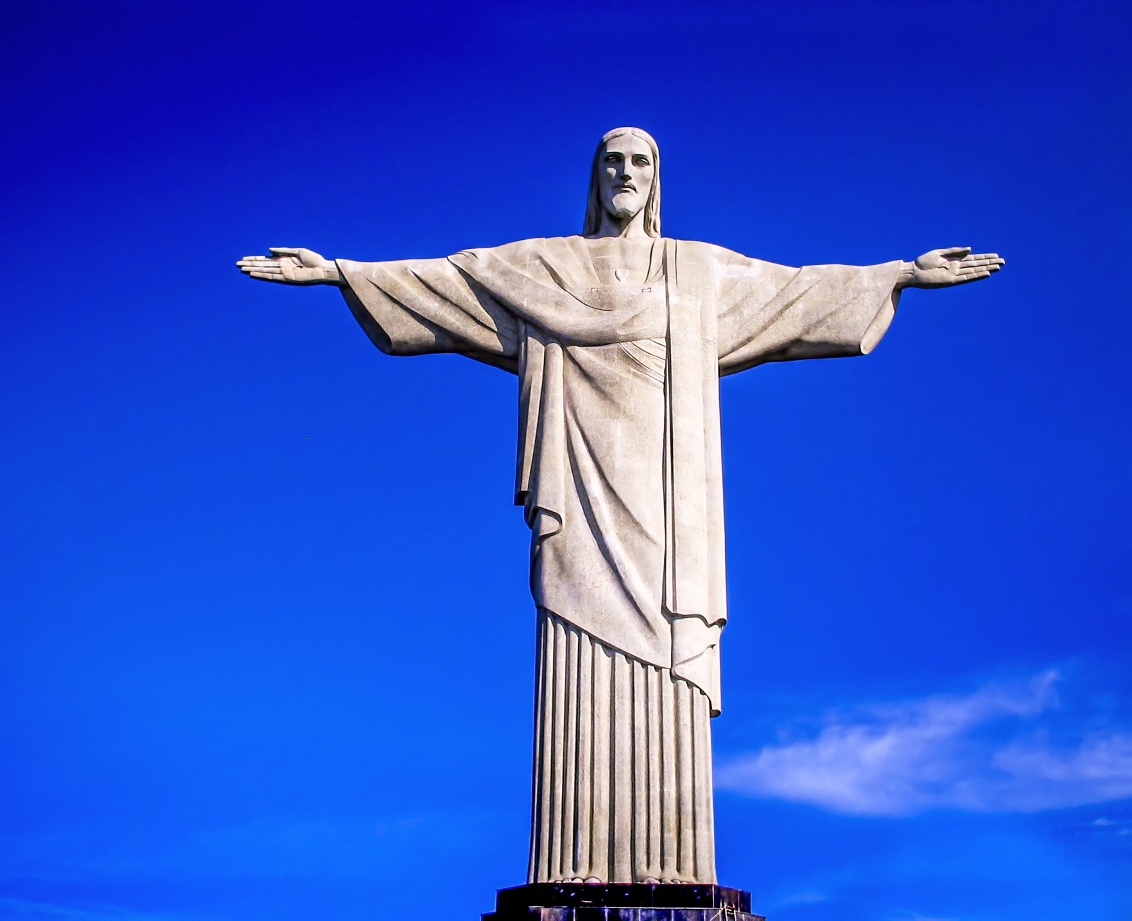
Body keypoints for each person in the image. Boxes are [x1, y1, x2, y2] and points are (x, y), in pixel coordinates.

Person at [237, 126, 1004, 885]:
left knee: (668, 653)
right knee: (576, 639)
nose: (625, 173)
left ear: (657, 178)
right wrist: (340, 271)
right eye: (612, 161)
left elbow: (798, 289)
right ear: (594, 177)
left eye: (640, 161)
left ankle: (672, 866)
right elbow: (450, 281)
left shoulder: (695, 272)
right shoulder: (546, 267)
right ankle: (569, 864)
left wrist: (898, 273)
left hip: (669, 505)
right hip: (575, 487)